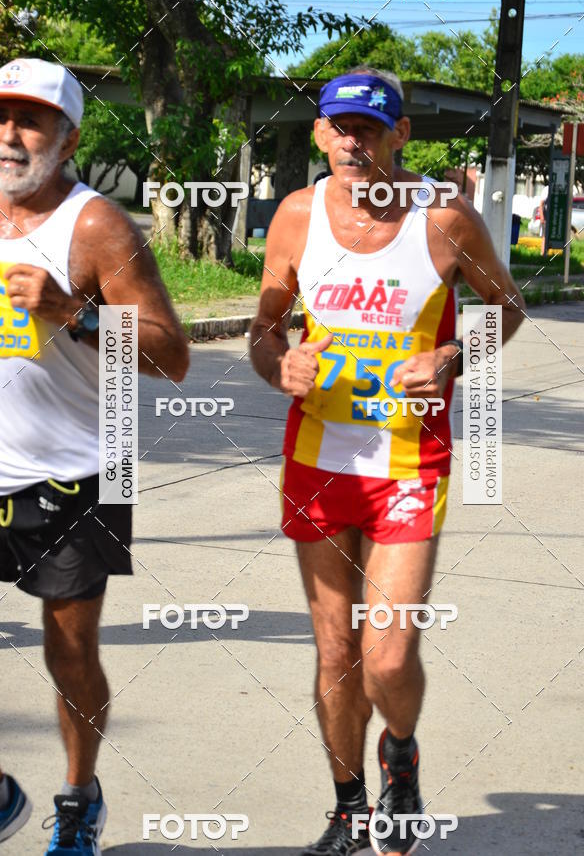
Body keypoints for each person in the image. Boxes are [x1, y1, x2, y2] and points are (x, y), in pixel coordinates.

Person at [250, 66, 525, 855]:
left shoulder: (444, 219)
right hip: (316, 463)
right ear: (318, 133)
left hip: (410, 463)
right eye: (340, 127)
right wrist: (281, 366)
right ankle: (347, 807)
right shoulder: (298, 217)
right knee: (336, 651)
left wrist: (451, 358)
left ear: (402, 136)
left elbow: (507, 309)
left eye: (371, 129)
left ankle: (399, 754)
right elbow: (266, 329)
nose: (353, 141)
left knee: (388, 650)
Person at [0, 57, 189, 853]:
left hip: (79, 467)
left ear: (69, 136)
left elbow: (169, 353)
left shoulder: (95, 225)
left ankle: (78, 797)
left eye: (30, 120)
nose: (9, 135)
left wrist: (74, 312)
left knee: (68, 649)